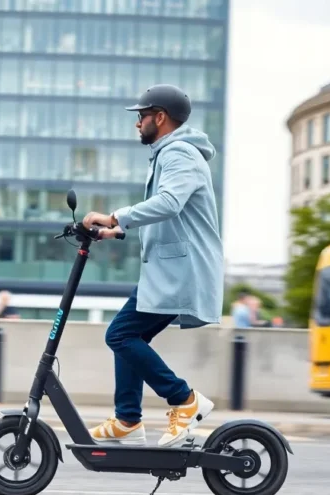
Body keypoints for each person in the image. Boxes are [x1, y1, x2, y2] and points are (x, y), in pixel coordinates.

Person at [80, 84, 224, 447]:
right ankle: (128, 419)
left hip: (181, 272)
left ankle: (185, 400)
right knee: (129, 335)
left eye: (141, 116)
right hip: (169, 270)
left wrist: (115, 215)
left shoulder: (179, 153)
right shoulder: (169, 154)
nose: (137, 123)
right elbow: (172, 216)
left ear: (160, 117)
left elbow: (170, 203)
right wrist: (116, 232)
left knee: (120, 335)